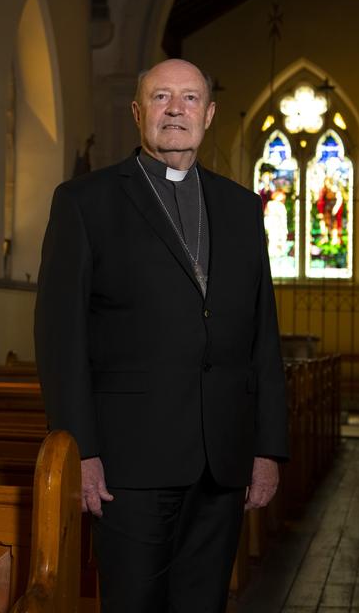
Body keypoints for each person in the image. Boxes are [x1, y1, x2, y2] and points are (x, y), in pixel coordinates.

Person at [34, 58, 288, 613]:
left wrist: (267, 447)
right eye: (161, 97)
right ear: (137, 112)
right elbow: (61, 337)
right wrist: (82, 450)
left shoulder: (242, 208)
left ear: (210, 114)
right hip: (129, 461)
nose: (176, 109)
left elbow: (261, 334)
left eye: (191, 98)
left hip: (220, 459)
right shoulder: (84, 202)